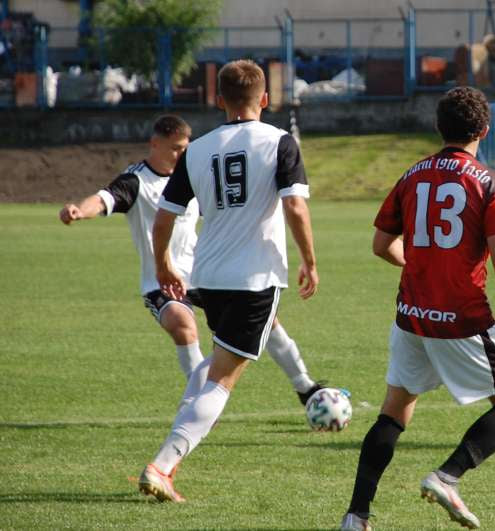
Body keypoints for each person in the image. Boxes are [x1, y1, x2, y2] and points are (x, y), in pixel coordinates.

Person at [340, 87, 495, 531]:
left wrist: (417, 262)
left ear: (439, 128)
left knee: (394, 411)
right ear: (484, 131)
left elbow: (381, 245)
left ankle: (356, 516)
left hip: (412, 314)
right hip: (463, 317)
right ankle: (446, 477)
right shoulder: (491, 182)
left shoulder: (412, 174)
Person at [137, 59, 319, 502]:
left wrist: (162, 265)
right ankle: (163, 465)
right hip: (254, 279)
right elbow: (295, 207)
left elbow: (164, 218)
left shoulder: (196, 149)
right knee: (222, 378)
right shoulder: (279, 142)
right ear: (266, 99)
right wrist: (310, 261)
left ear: (218, 100)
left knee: (216, 363)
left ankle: (174, 440)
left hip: (209, 277)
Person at [58, 116, 325, 409]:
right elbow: (103, 199)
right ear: (154, 144)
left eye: (184, 148)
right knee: (183, 324)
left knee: (268, 322)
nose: (180, 155)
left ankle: (306, 387)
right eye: (174, 149)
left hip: (204, 273)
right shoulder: (136, 181)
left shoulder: (193, 172)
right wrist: (78, 211)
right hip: (160, 280)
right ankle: (197, 399)